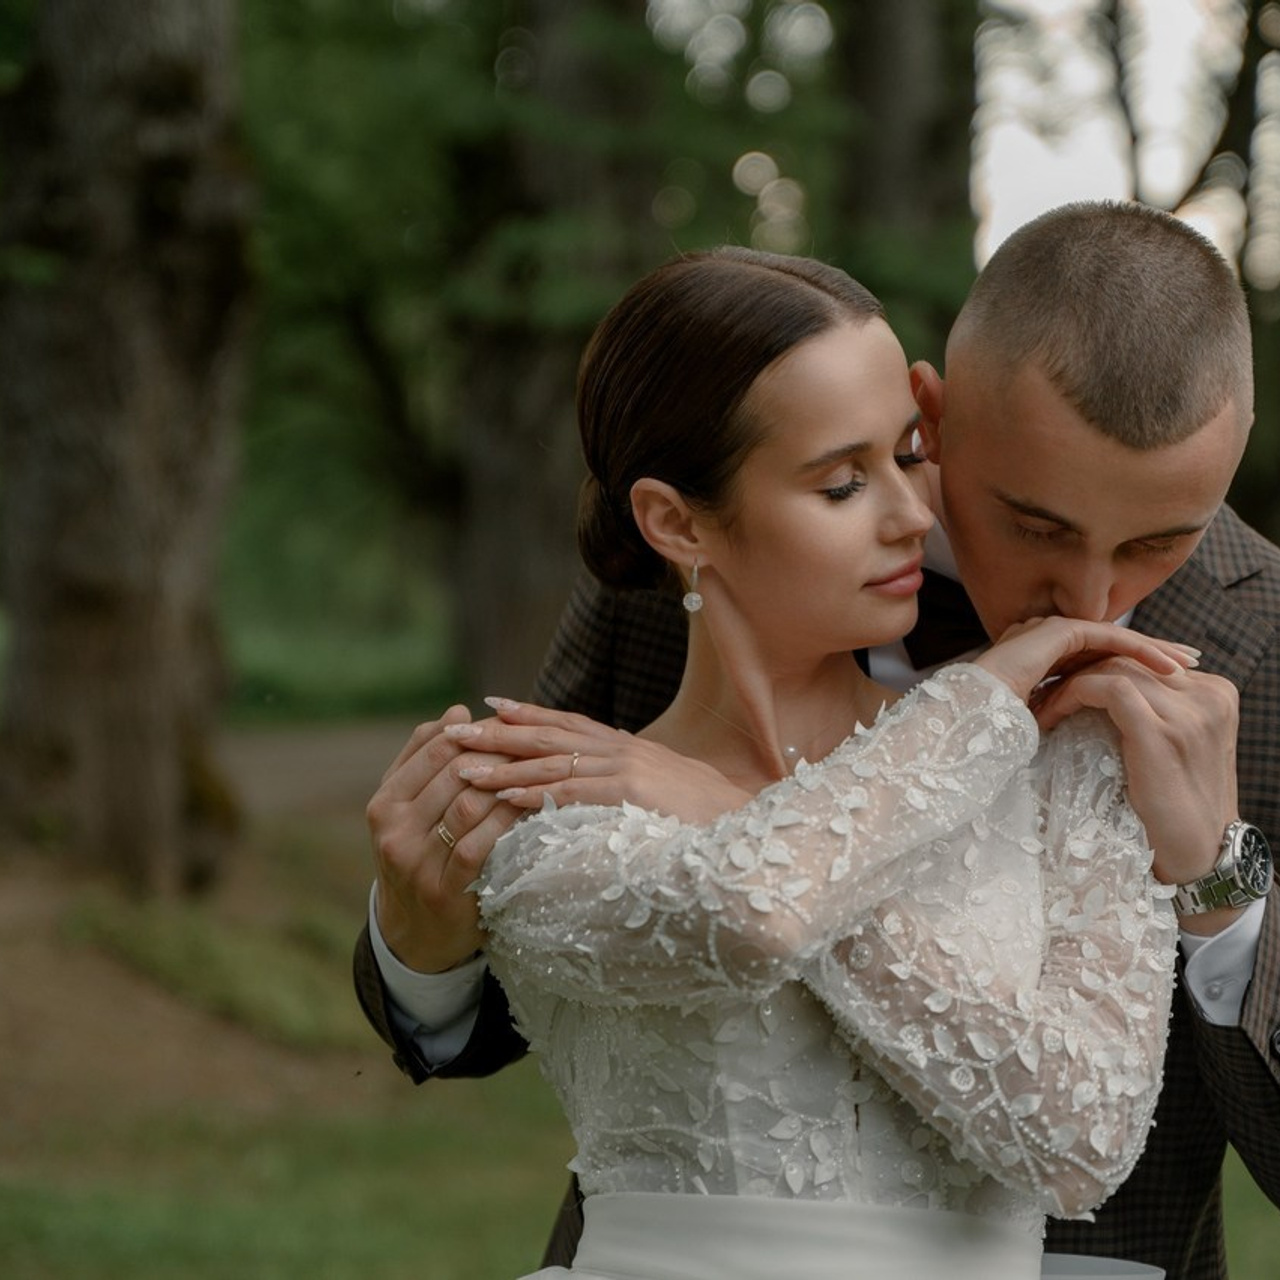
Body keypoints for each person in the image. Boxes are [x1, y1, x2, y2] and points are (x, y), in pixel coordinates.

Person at [356, 204, 1280, 1278]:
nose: (1090, 598)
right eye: (1032, 525)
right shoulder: (701, 561)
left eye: (1159, 542)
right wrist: (423, 944)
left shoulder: (1263, 640)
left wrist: (1224, 874)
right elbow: (550, 937)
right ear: (931, 416)